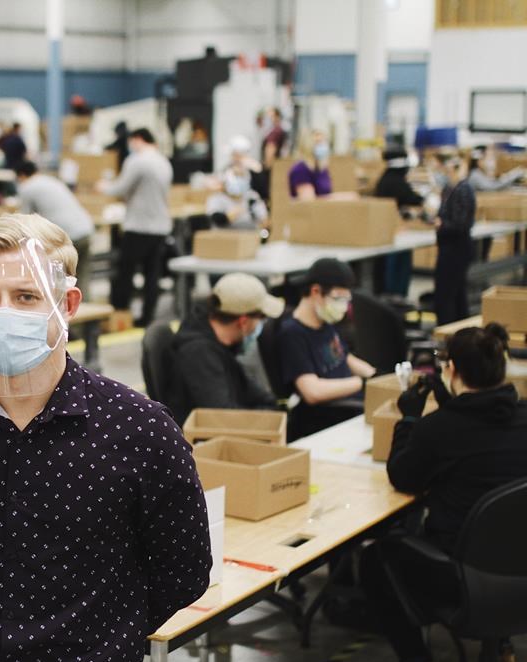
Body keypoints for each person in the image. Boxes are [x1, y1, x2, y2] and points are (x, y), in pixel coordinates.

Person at [0, 213, 212, 662]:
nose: (4, 313)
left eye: (26, 296)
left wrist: (103, 639)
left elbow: (183, 567)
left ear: (68, 302)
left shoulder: (139, 431)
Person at [360, 323, 527, 662]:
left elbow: (403, 477)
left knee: (376, 558)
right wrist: (451, 405)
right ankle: (501, 650)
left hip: (462, 579)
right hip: (519, 573)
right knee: (503, 540)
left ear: (450, 369)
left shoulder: (438, 429)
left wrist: (408, 419)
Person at [277, 258, 377, 440]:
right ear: (316, 291)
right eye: (338, 298)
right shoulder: (292, 334)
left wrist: (377, 376)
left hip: (353, 402)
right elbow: (312, 391)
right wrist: (361, 382)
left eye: (347, 299)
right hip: (329, 416)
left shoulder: (324, 322)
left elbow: (344, 357)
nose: (344, 307)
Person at [166, 273, 282, 425]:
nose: (262, 324)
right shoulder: (199, 354)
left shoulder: (222, 342)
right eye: (261, 318)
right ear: (243, 322)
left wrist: (272, 408)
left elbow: (253, 392)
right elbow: (223, 417)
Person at [98, 128, 174, 327]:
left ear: (138, 139)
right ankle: (147, 317)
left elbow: (120, 188)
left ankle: (120, 316)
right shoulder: (164, 161)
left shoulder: (137, 161)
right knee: (152, 275)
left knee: (125, 273)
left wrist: (103, 186)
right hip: (160, 226)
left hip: (139, 225)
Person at [15, 160, 95, 299]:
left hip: (68, 237)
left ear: (21, 175)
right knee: (82, 277)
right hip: (85, 230)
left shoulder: (27, 187)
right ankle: (87, 316)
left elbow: (24, 220)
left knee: (58, 280)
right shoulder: (51, 180)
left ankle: (59, 316)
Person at [374, 146, 426, 298]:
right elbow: (414, 199)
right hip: (396, 236)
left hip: (387, 233)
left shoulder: (384, 179)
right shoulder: (396, 182)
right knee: (396, 276)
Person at [433, 152, 476, 325]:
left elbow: (461, 224)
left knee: (448, 294)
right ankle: (457, 330)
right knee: (454, 293)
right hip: (448, 246)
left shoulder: (463, 190)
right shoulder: (449, 189)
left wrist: (441, 224)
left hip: (457, 248)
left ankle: (449, 330)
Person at [206, 165, 268, 230]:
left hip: (250, 236)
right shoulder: (216, 198)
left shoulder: (252, 196)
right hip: (225, 237)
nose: (240, 180)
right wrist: (229, 216)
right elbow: (215, 220)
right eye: (236, 176)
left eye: (242, 176)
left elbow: (265, 221)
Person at [288, 130, 334, 199]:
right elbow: (308, 201)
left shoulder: (321, 168)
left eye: (323, 143)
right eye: (319, 143)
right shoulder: (300, 170)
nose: (323, 147)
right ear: (308, 146)